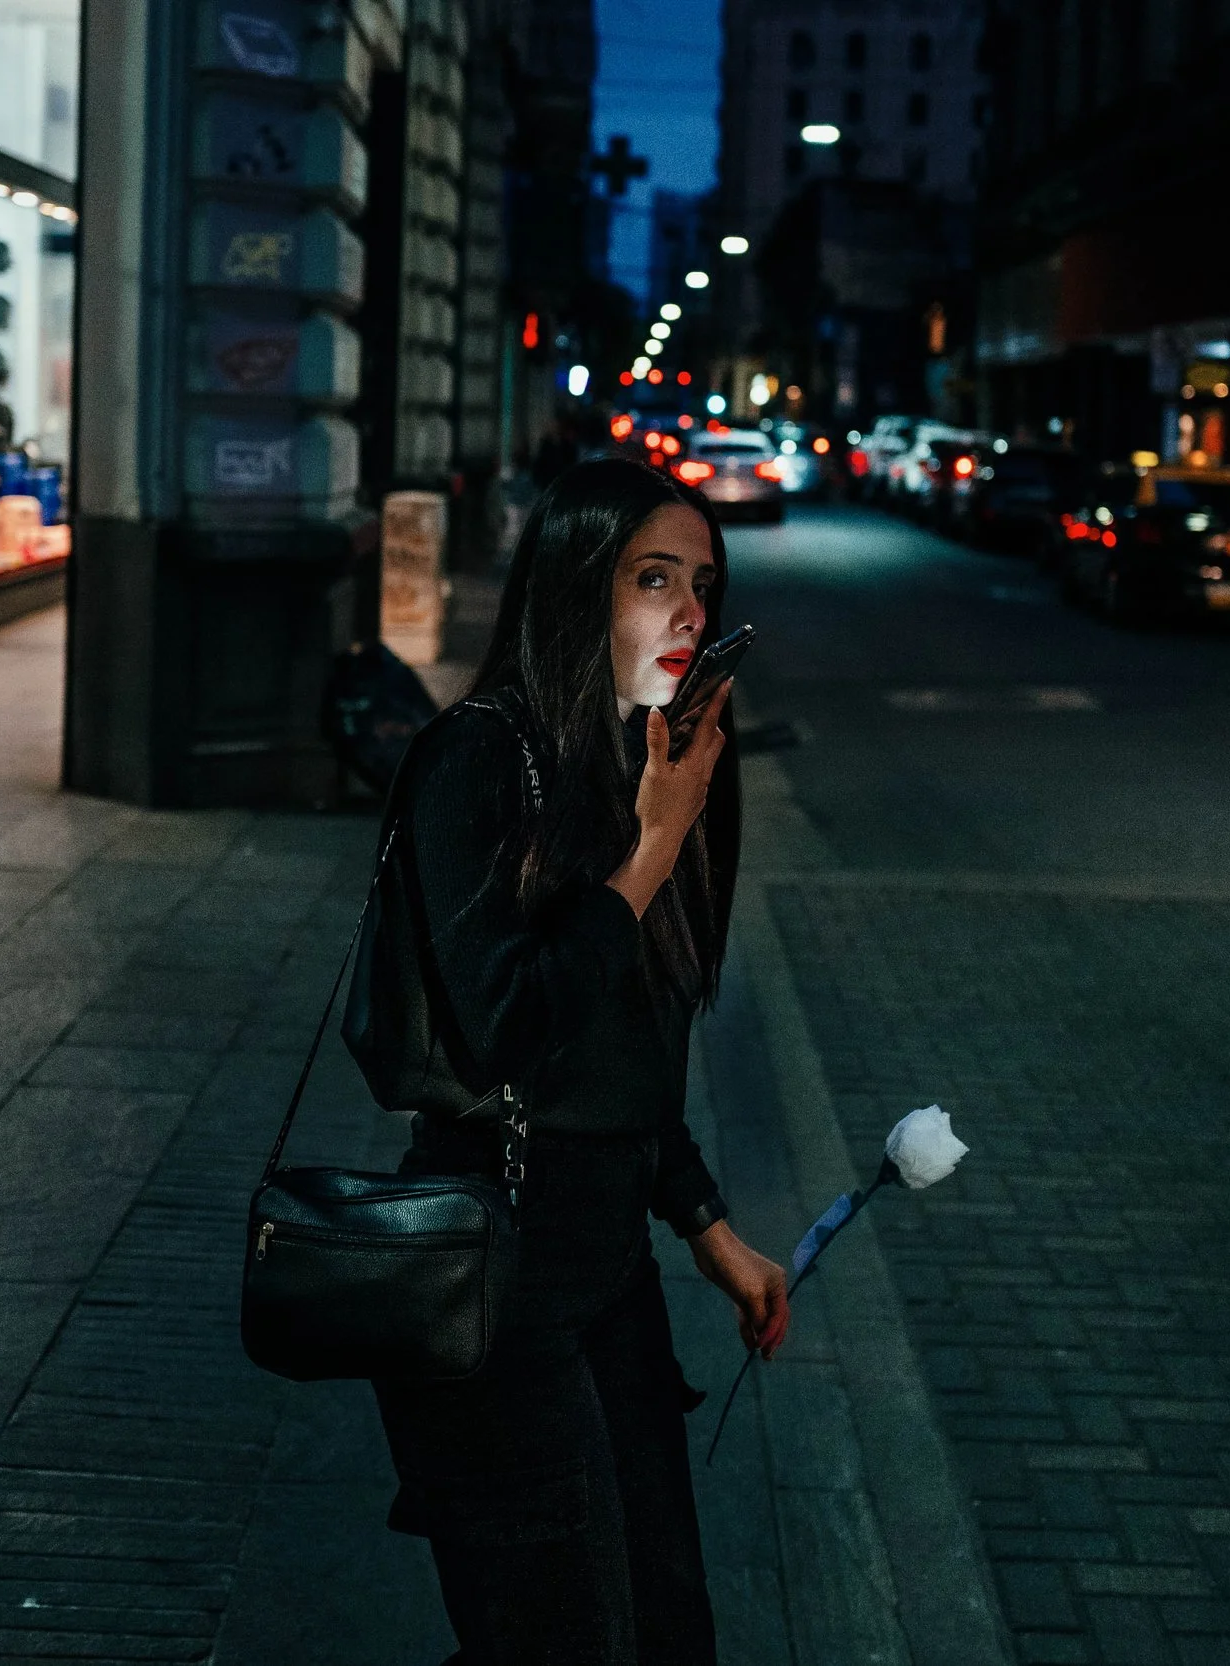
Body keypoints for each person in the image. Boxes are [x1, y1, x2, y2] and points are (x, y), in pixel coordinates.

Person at [369, 457, 790, 1662]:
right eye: (650, 578)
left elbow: (621, 1059)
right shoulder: (475, 759)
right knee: (560, 1635)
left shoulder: (629, 763)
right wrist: (653, 850)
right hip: (496, 1272)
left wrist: (709, 1229)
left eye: (702, 585)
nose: (689, 613)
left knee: (664, 1625)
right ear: (573, 591)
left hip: (607, 1271)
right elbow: (508, 1028)